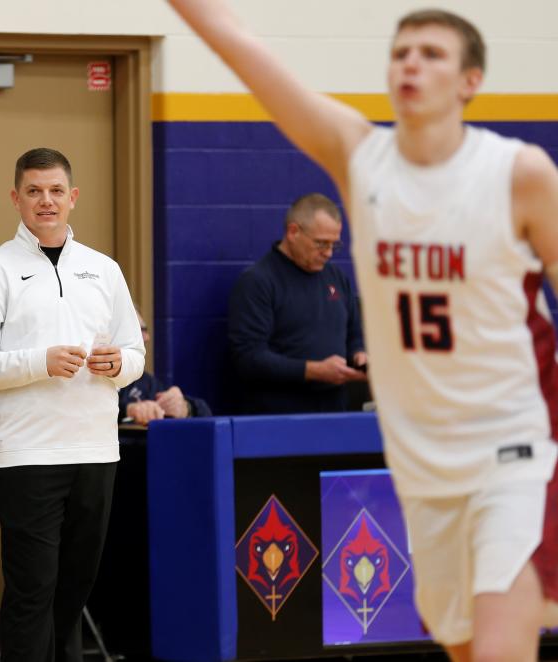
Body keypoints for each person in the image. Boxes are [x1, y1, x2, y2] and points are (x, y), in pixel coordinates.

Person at [167, 2, 558, 660]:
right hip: (424, 466)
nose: (410, 62)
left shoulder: (517, 175)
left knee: (497, 647)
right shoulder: (360, 157)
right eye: (400, 50)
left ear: (470, 81)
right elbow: (247, 56)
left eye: (431, 53)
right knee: (462, 648)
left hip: (512, 449)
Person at [0, 147, 145, 662]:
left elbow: (136, 353)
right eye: (34, 191)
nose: (46, 201)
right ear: (16, 198)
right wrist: (40, 361)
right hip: (26, 457)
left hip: (96, 452)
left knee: (74, 594)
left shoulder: (103, 270)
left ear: (73, 197)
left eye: (56, 190)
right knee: (32, 593)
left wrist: (117, 365)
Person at [228, 193, 367, 414]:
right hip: (279, 417)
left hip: (335, 412)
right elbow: (248, 358)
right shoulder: (258, 281)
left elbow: (354, 335)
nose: (328, 253)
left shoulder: (337, 279)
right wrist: (314, 370)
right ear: (293, 232)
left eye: (334, 245)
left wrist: (360, 356)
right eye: (321, 244)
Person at [120, 308, 212, 424]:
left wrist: (185, 407)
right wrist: (128, 410)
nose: (147, 337)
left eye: (145, 330)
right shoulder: (95, 380)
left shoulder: (143, 381)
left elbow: (205, 413)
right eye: (139, 330)